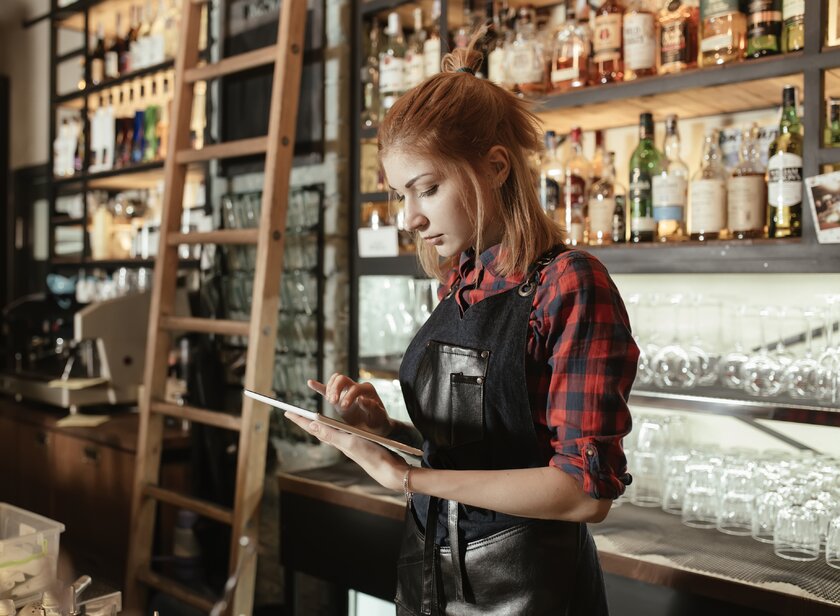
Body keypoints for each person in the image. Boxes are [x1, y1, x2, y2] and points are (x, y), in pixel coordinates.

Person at [285, 29, 639, 616]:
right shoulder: (463, 278)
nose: (411, 218)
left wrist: (406, 479)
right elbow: (469, 457)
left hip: (527, 593)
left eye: (427, 189)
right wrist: (383, 433)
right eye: (402, 195)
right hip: (428, 578)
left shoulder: (569, 283)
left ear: (495, 166)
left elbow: (582, 493)